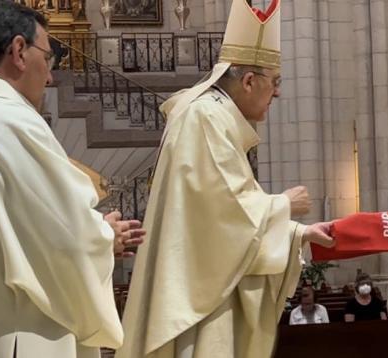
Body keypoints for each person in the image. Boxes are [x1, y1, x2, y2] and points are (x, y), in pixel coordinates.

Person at [115, 1, 334, 357]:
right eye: (274, 82)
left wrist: (300, 232)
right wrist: (284, 205)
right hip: (204, 296)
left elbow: (224, 211)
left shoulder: (211, 117)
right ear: (249, 81)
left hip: (209, 283)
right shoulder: (206, 118)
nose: (277, 93)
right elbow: (222, 215)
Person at [0, 1, 145, 357]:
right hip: (21, 335)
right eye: (49, 58)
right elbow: (66, 239)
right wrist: (104, 236)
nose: (50, 76)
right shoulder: (13, 122)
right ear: (19, 51)